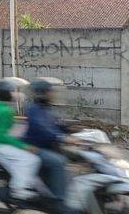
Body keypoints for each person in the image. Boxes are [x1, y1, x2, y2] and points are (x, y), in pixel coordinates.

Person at [23, 77, 81, 206]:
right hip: (35, 148)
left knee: (81, 157)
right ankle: (60, 200)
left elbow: (55, 124)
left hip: (49, 145)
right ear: (42, 93)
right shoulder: (33, 109)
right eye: (51, 91)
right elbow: (43, 129)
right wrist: (63, 137)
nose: (53, 94)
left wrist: (72, 129)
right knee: (59, 162)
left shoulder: (45, 108)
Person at [0, 77, 41, 202]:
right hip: (0, 145)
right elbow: (2, 135)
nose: (17, 94)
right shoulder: (4, 110)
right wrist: (24, 146)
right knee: (31, 159)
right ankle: (18, 190)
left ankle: (25, 183)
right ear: (7, 93)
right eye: (14, 91)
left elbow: (7, 127)